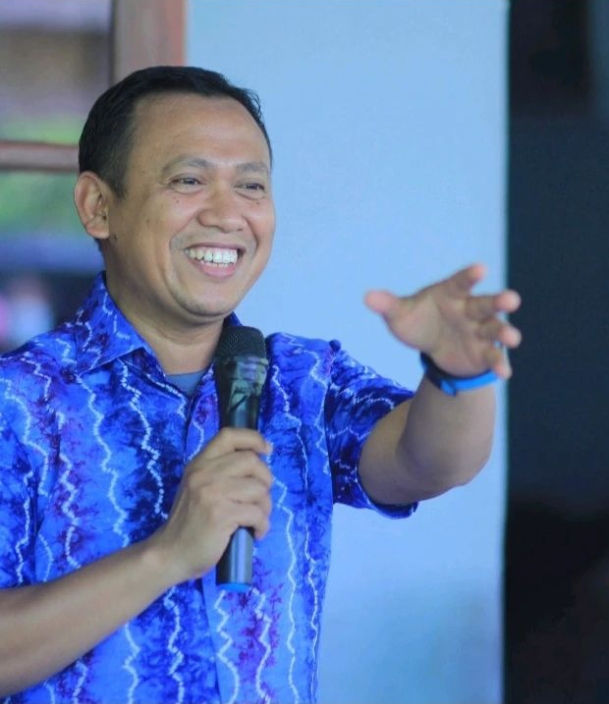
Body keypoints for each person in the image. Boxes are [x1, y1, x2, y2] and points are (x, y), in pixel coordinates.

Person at [0, 66, 521, 704]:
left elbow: (427, 464)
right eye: (189, 180)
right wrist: (167, 555)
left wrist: (457, 372)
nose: (228, 215)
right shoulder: (19, 402)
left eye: (251, 186)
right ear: (98, 206)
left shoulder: (301, 382)